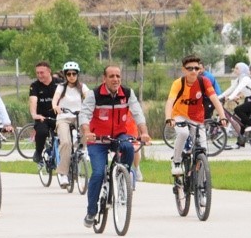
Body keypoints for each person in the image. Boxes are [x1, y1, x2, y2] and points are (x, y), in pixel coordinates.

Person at [80, 65, 152, 228]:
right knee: (98, 174)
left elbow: (137, 113)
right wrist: (87, 131)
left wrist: (144, 132)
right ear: (104, 79)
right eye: (111, 76)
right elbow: (84, 114)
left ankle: (122, 178)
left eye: (118, 76)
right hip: (97, 139)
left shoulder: (127, 93)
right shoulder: (94, 95)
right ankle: (91, 211)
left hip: (118, 135)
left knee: (128, 147)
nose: (115, 79)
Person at [164, 54, 227, 177]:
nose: (193, 71)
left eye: (196, 68)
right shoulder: (178, 83)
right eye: (190, 68)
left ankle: (200, 178)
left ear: (200, 69)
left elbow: (215, 99)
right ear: (183, 70)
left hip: (197, 117)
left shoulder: (204, 82)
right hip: (179, 115)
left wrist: (222, 116)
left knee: (202, 148)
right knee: (183, 133)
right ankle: (176, 161)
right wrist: (168, 118)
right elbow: (170, 101)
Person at [52, 61, 90, 188]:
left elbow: (89, 97)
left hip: (78, 116)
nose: (72, 76)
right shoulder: (61, 87)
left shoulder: (82, 87)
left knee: (87, 131)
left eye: (74, 73)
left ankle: (82, 150)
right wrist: (56, 107)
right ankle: (63, 174)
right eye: (69, 74)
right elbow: (55, 99)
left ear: (77, 74)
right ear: (65, 75)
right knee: (66, 143)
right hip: (63, 117)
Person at [220, 62, 251, 146]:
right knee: (242, 122)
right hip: (248, 100)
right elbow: (231, 89)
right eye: (235, 68)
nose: (235, 70)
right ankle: (241, 143)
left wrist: (230, 98)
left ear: (242, 69)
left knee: (237, 110)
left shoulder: (245, 78)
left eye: (237, 68)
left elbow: (238, 89)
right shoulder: (239, 79)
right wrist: (218, 97)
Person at [28, 61, 59, 165]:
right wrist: (34, 114)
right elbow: (33, 100)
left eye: (42, 72)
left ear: (49, 71)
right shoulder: (35, 85)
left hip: (58, 117)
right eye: (37, 73)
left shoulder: (60, 83)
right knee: (42, 132)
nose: (39, 75)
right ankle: (38, 151)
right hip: (42, 117)